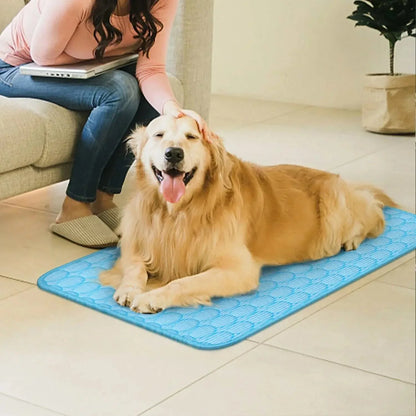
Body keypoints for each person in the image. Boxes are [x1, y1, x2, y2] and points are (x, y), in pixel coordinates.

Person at [0, 0, 208, 248]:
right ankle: (74, 205)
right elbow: (42, 56)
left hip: (77, 65)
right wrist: (106, 56)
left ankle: (103, 196)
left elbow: (151, 68)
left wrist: (173, 109)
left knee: (155, 98)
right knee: (120, 90)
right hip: (16, 69)